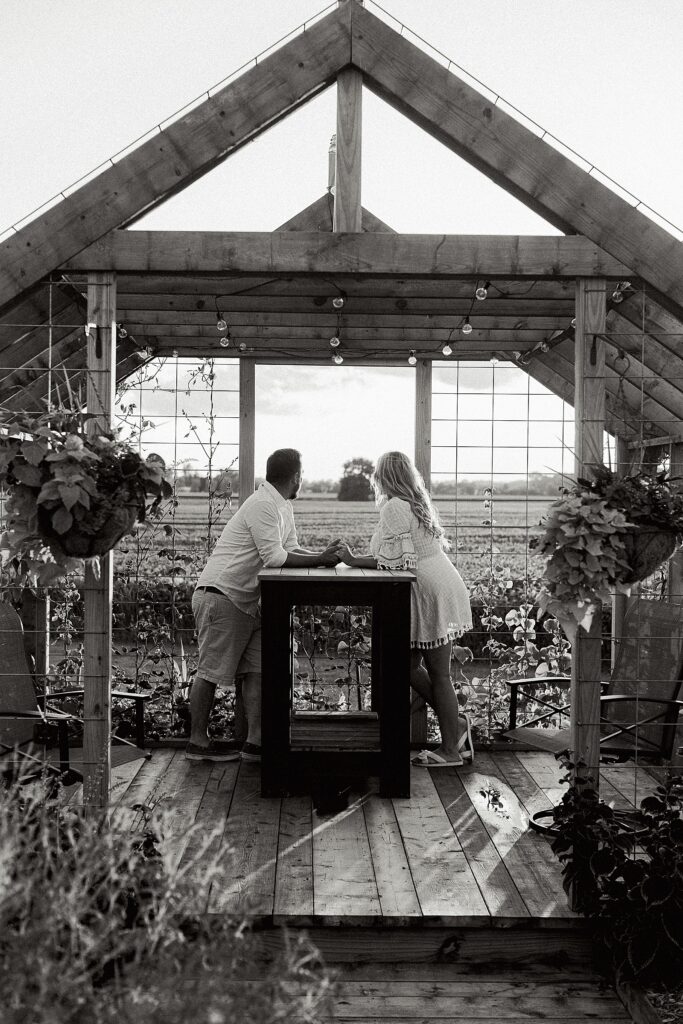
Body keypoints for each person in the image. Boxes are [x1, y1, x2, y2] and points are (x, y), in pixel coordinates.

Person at [186, 448, 340, 762]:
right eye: (302, 475)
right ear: (296, 476)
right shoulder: (262, 505)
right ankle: (196, 742)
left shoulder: (281, 506)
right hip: (222, 595)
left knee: (257, 670)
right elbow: (276, 558)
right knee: (210, 673)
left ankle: (255, 743)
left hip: (248, 602)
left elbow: (292, 549)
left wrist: (323, 557)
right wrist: (323, 559)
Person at [337, 451, 474, 767]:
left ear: (383, 477)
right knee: (410, 666)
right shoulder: (415, 502)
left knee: (437, 674)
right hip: (439, 583)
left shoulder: (395, 507)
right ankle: (458, 729)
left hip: (428, 591)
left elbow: (399, 561)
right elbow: (399, 556)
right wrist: (358, 558)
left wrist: (354, 560)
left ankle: (452, 749)